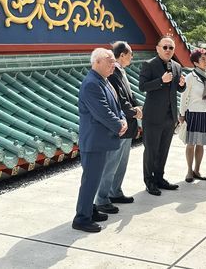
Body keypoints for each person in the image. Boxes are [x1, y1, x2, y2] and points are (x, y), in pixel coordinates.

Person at [73, 48, 127, 233]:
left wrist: (123, 119)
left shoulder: (103, 81)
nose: (113, 64)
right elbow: (102, 112)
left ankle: (89, 209)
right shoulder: (91, 84)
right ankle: (81, 218)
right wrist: (119, 125)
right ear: (96, 62)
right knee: (90, 180)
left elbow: (116, 106)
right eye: (109, 61)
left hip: (101, 140)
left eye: (113, 61)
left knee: (95, 179)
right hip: (94, 141)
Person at [94, 41, 143, 213]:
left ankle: (115, 191)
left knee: (121, 163)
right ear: (122, 55)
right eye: (130, 54)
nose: (132, 57)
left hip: (128, 123)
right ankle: (101, 198)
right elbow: (119, 100)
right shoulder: (113, 73)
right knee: (111, 163)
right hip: (119, 124)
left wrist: (137, 108)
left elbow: (129, 95)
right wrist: (133, 112)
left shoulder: (121, 72)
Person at [139, 36, 186, 195]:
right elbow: (142, 86)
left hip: (169, 116)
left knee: (163, 150)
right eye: (165, 47)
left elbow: (179, 90)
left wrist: (182, 85)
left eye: (171, 48)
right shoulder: (149, 65)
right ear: (158, 48)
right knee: (151, 150)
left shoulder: (177, 66)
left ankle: (160, 178)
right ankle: (149, 181)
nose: (168, 50)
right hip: (152, 116)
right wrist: (161, 80)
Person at [179, 48, 206, 183]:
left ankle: (197, 170)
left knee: (201, 144)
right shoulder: (190, 77)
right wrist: (182, 114)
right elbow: (184, 97)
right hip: (193, 113)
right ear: (195, 62)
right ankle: (189, 170)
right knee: (191, 144)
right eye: (203, 59)